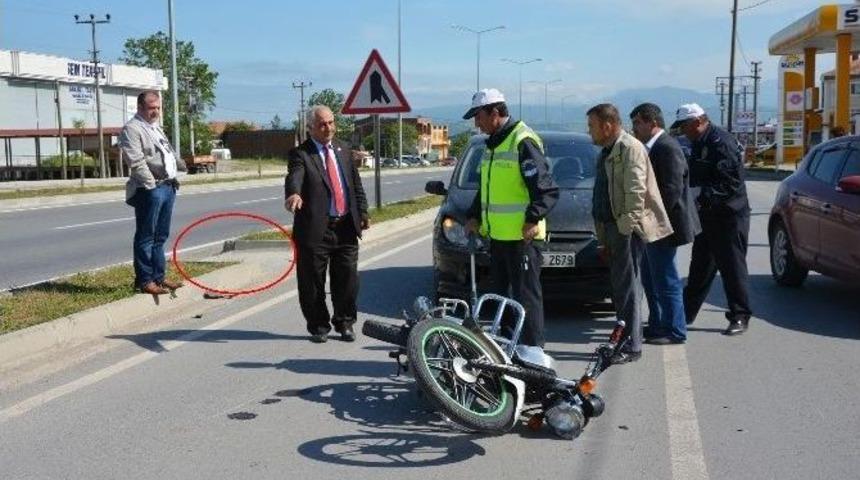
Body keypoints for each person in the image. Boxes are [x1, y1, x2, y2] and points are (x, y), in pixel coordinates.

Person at [463, 88, 559, 351]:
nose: (476, 122)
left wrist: (532, 219)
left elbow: (546, 191)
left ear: (495, 112)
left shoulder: (522, 140)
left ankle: (533, 354)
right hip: (499, 238)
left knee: (526, 299)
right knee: (501, 300)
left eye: (478, 115)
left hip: (522, 238)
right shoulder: (492, 144)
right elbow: (486, 189)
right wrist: (473, 216)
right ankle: (506, 351)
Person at [586, 103, 673, 363]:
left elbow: (636, 195)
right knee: (621, 289)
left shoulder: (629, 149)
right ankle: (623, 338)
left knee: (628, 289)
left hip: (626, 230)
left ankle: (631, 346)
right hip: (612, 228)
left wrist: (624, 229)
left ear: (607, 126)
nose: (589, 131)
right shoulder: (608, 150)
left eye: (591, 126)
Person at [285, 105, 369, 343]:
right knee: (312, 282)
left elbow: (355, 184)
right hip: (315, 229)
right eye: (322, 124)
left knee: (348, 280)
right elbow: (295, 176)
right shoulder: (301, 154)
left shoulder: (343, 149)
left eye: (331, 122)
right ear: (311, 128)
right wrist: (293, 193)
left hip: (345, 227)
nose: (329, 128)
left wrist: (362, 211)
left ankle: (345, 323)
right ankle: (319, 326)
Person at [672, 103, 752, 336]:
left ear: (698, 121)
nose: (683, 132)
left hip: (728, 215)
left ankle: (740, 315)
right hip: (707, 215)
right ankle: (685, 313)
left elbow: (730, 184)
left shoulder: (721, 142)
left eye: (685, 126)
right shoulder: (699, 142)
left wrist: (701, 197)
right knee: (700, 266)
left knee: (732, 268)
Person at [629, 103, 701, 345]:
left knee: (666, 279)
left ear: (653, 123)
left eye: (638, 123)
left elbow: (671, 190)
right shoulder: (653, 147)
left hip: (664, 226)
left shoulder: (666, 148)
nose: (634, 128)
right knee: (651, 278)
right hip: (654, 226)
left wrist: (650, 219)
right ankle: (659, 324)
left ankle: (675, 330)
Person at [121, 91, 186, 296]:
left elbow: (168, 152)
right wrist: (151, 185)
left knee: (160, 236)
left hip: (168, 186)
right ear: (140, 108)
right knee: (146, 236)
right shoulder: (132, 129)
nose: (156, 111)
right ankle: (144, 280)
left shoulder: (155, 127)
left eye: (158, 107)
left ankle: (159, 277)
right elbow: (136, 161)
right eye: (151, 108)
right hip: (150, 189)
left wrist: (180, 168)